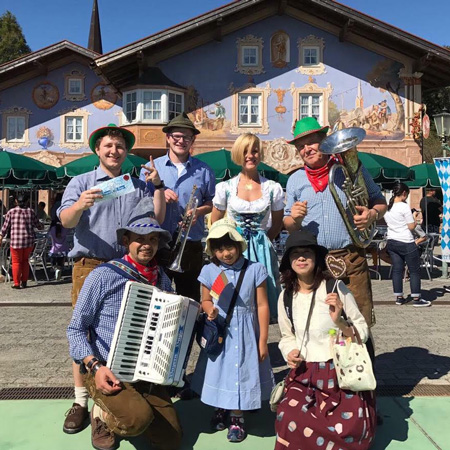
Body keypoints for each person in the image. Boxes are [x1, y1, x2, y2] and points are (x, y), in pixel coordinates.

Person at [59, 123, 165, 434]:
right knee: (83, 331)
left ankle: (104, 406)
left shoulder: (136, 184)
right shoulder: (81, 182)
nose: (114, 151)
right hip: (90, 264)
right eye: (108, 145)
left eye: (119, 146)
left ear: (126, 152)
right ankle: (81, 401)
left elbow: (156, 219)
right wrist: (80, 205)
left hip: (126, 268)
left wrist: (157, 186)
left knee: (118, 333)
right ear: (97, 150)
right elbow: (65, 220)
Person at [67, 202, 182, 450]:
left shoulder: (161, 277)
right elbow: (75, 329)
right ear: (126, 240)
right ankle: (102, 416)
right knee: (137, 420)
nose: (147, 245)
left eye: (152, 239)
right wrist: (95, 367)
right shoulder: (103, 275)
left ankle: (135, 409)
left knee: (171, 440)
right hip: (106, 369)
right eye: (140, 238)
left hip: (146, 372)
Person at [283, 117, 387, 333]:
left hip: (352, 258)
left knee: (359, 325)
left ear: (324, 141)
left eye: (311, 143)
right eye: (301, 147)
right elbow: (288, 225)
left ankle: (363, 365)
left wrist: (371, 214)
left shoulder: (349, 169)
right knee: (323, 326)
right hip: (316, 264)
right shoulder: (295, 180)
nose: (306, 150)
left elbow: (379, 200)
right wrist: (294, 219)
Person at [275, 230, 376, 450]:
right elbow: (286, 336)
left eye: (307, 252)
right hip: (304, 373)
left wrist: (339, 321)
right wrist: (290, 352)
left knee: (349, 426)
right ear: (288, 261)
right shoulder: (285, 297)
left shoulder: (335, 288)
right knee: (287, 416)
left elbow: (362, 329)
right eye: (295, 254)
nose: (301, 258)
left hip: (339, 370)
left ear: (316, 258)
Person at [191, 218, 274, 443]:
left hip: (247, 331)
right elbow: (205, 299)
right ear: (212, 251)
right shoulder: (210, 270)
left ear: (239, 245)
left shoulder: (255, 269)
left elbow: (263, 305)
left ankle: (238, 417)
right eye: (219, 249)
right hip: (220, 331)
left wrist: (263, 339)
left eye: (229, 247)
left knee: (242, 373)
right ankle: (221, 407)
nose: (225, 253)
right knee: (220, 372)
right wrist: (210, 311)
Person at [140, 112, 215, 302]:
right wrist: (159, 191)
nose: (181, 140)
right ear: (168, 138)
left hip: (190, 244)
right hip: (158, 241)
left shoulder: (205, 170)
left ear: (192, 140)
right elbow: (141, 202)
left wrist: (198, 211)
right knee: (155, 299)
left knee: (189, 300)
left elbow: (210, 202)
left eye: (186, 137)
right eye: (176, 136)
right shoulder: (150, 168)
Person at [211, 133, 284, 319]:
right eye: (245, 151)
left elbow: (276, 225)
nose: (250, 155)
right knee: (235, 300)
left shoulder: (273, 188)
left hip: (262, 250)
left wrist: (262, 241)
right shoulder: (225, 188)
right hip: (234, 248)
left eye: (255, 151)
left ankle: (261, 346)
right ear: (237, 153)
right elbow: (215, 223)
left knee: (261, 302)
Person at [384, 183, 431, 307]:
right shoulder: (404, 207)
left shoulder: (387, 207)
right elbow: (411, 227)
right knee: (414, 270)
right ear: (404, 193)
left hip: (392, 241)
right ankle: (416, 298)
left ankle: (399, 297)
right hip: (406, 242)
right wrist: (415, 218)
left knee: (397, 270)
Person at [0, 194, 43, 288]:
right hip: (28, 241)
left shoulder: (11, 212)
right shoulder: (31, 212)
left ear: (16, 201)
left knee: (16, 262)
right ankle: (24, 281)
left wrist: (1, 236)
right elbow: (38, 225)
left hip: (15, 241)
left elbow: (5, 227)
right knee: (25, 261)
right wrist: (40, 226)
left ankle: (16, 283)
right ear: (27, 201)